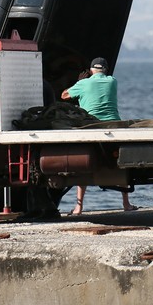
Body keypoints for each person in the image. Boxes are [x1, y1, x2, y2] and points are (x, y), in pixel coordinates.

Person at [61, 57, 137, 215]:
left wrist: (79, 82)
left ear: (90, 70)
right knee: (120, 164)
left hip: (91, 127)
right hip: (114, 127)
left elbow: (64, 96)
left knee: (83, 165)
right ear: (106, 70)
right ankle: (126, 203)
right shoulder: (112, 81)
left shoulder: (83, 83)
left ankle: (78, 207)